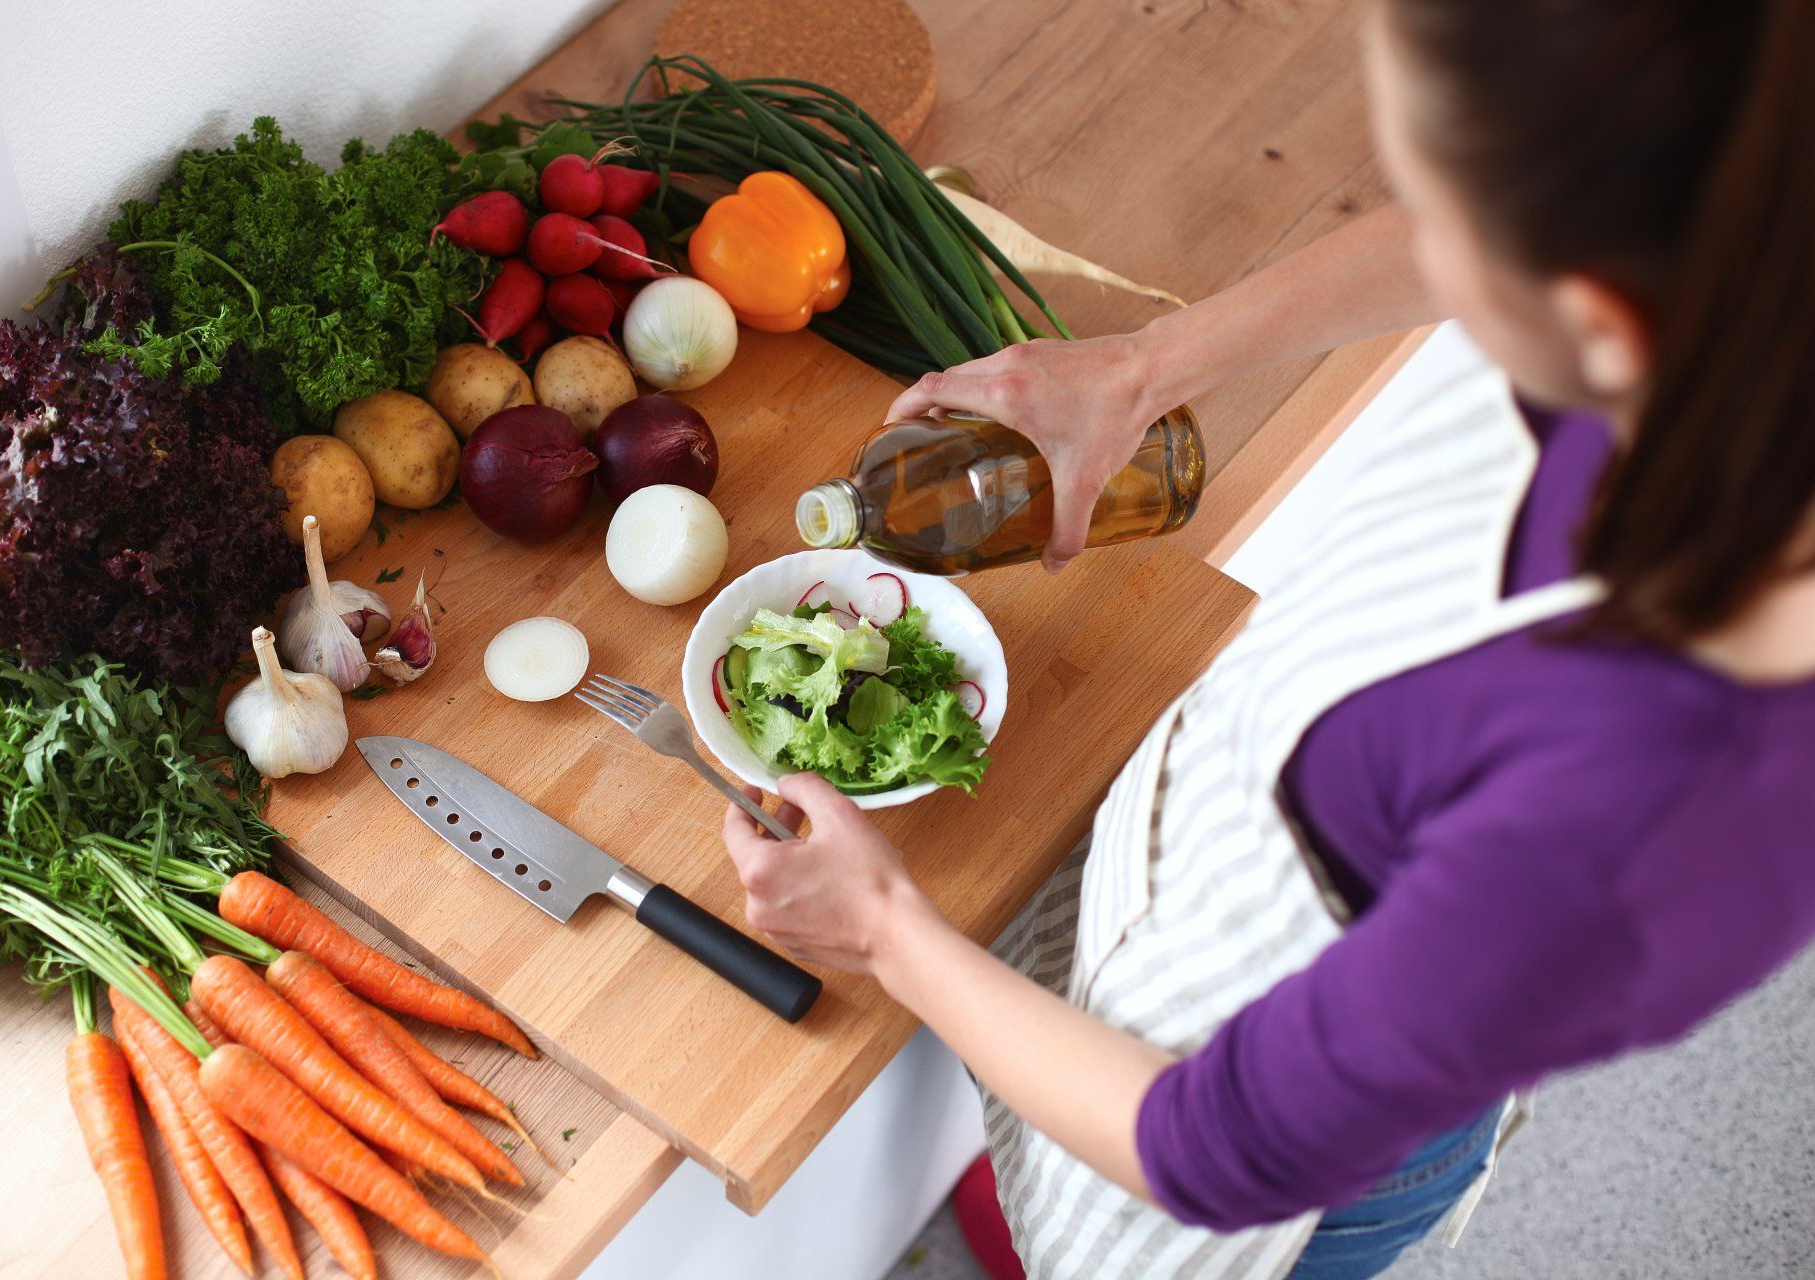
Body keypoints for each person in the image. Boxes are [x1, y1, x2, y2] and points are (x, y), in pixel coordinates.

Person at [720, 0, 1815, 1277]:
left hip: (1271, 1184)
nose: (1422, 236)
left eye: (1444, 214)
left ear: (1605, 318)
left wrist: (886, 927)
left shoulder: (1637, 825)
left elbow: (1216, 1148)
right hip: (1199, 878)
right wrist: (1138, 366)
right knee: (1036, 1168)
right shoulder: (1749, 204)